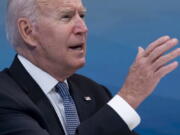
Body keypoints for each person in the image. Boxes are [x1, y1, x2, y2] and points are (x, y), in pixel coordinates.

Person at [0, 0, 179, 135]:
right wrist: (129, 97)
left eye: (82, 16)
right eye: (66, 17)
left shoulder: (94, 92)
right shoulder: (5, 96)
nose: (83, 28)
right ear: (28, 31)